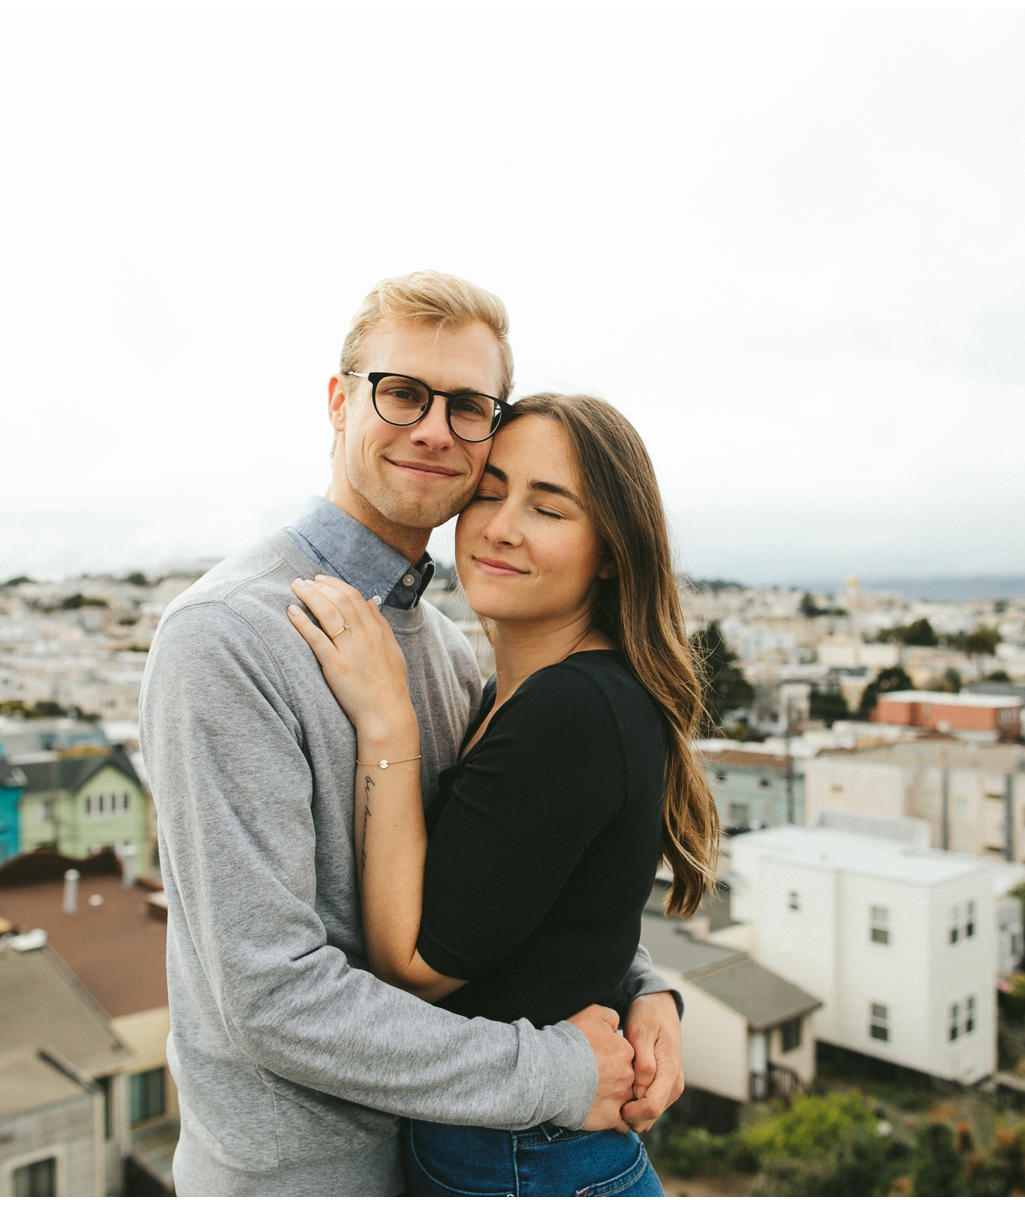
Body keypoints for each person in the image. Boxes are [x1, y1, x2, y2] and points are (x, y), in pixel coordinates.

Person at [139, 272, 685, 1196]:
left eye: (469, 405)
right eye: (402, 391)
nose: (435, 428)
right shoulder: (227, 638)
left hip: (452, 1157)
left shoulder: (437, 645)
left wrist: (637, 983)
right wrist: (557, 1070)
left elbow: (492, 881)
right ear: (338, 400)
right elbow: (272, 997)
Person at [286, 392, 719, 1196]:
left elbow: (416, 966)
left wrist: (386, 726)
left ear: (613, 552)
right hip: (523, 1146)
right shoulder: (518, 694)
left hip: (528, 1161)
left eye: (548, 508)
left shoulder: (570, 710)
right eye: (489, 493)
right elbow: (540, 909)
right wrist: (641, 985)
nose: (501, 525)